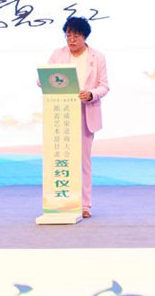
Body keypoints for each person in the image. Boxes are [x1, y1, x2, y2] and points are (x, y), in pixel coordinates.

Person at [46, 16, 109, 219]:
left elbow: (104, 86)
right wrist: (44, 79)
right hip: (61, 111)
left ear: (84, 37)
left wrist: (91, 94)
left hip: (85, 112)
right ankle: (61, 201)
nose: (71, 40)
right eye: (68, 35)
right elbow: (44, 79)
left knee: (83, 161)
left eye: (76, 36)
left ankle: (85, 205)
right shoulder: (57, 54)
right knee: (59, 158)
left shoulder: (97, 57)